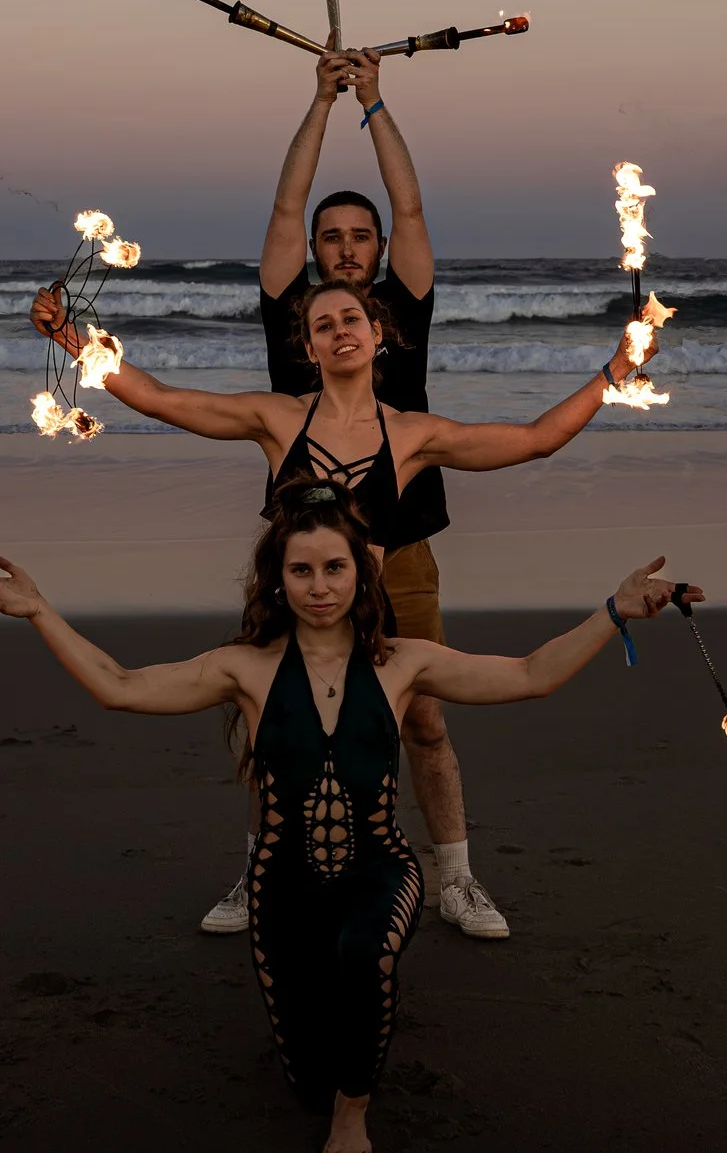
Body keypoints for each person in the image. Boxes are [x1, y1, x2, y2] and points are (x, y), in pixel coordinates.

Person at [0, 480, 703, 1153]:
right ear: (278, 579)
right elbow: (120, 686)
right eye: (302, 570)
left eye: (335, 568)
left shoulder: (403, 662)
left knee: (366, 959)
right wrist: (39, 611)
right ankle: (332, 1084)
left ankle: (354, 1119)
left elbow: (531, 675)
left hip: (380, 869)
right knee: (307, 1075)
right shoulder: (244, 667)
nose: (320, 587)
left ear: (361, 572)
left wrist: (614, 612)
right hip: (280, 884)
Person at [31, 261, 660, 942]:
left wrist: (615, 371)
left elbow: (536, 439)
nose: (339, 332)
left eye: (350, 319)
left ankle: (451, 879)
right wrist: (70, 337)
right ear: (309, 346)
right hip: (287, 610)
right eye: (323, 325)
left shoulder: (412, 435)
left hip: (366, 616)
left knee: (413, 732)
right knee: (272, 739)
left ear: (377, 332)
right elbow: (158, 397)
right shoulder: (276, 418)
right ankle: (260, 873)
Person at [249, 46, 498, 938]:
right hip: (301, 554)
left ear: (380, 251)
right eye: (333, 237)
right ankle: (259, 874)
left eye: (361, 236)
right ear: (314, 251)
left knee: (423, 717)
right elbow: (284, 207)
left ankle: (456, 878)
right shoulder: (294, 314)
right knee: (278, 720)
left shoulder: (404, 308)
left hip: (406, 549)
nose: (348, 248)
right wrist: (322, 101)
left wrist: (376, 103)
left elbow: (412, 205)